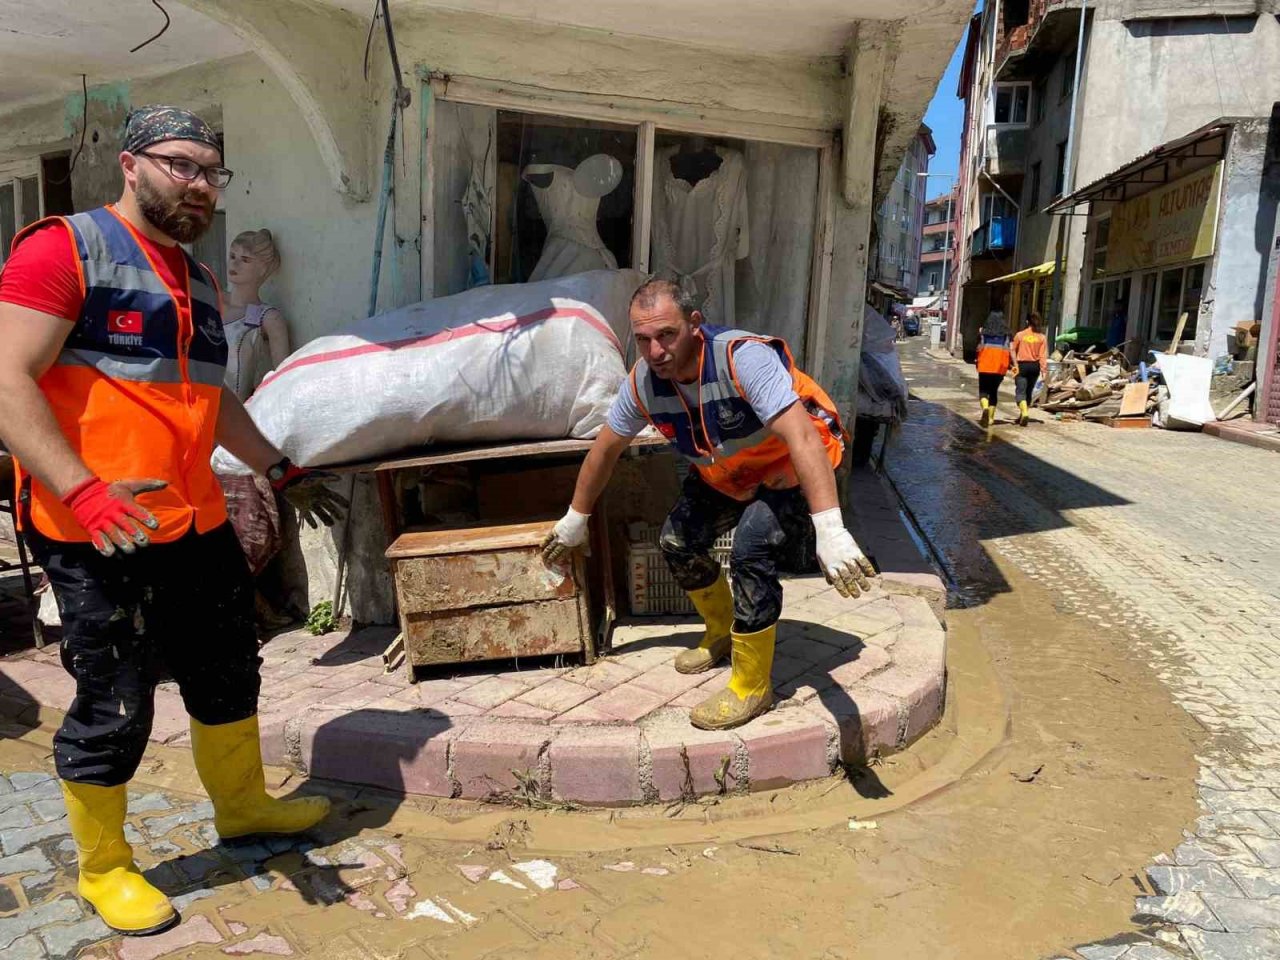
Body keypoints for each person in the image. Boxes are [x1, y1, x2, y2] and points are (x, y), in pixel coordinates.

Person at [0, 105, 348, 937]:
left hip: (194, 519)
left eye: (211, 172)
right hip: (96, 531)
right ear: (131, 164)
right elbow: (7, 379)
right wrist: (82, 489)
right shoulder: (64, 249)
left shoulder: (195, 278)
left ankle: (243, 808)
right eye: (181, 165)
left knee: (229, 668)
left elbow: (206, 398)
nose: (198, 184)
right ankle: (106, 868)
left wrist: (276, 467)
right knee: (117, 698)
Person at [541, 279, 879, 731]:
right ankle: (721, 629)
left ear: (694, 325)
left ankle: (752, 685)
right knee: (677, 541)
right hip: (730, 473)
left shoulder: (742, 359)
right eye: (643, 339)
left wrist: (830, 529)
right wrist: (574, 520)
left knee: (750, 549)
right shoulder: (643, 383)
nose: (655, 350)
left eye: (666, 335)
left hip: (794, 465)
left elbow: (801, 436)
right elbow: (605, 450)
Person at [224, 228, 290, 401]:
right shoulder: (210, 301)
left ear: (262, 269)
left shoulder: (268, 317)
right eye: (232, 256)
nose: (234, 264)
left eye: (245, 260)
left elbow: (283, 380)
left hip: (239, 414)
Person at [975, 298, 1012, 427]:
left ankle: (984, 408)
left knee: (983, 391)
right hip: (999, 367)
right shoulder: (1007, 335)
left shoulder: (983, 333)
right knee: (994, 392)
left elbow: (978, 348)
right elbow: (1009, 350)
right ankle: (990, 419)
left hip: (984, 366)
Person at [1011, 311, 1049, 427]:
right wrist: (1044, 370)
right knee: (1028, 391)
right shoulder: (1042, 337)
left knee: (1020, 391)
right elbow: (1043, 355)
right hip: (1035, 367)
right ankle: (1023, 414)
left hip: (1022, 366)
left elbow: (1012, 350)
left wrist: (1015, 364)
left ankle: (1025, 412)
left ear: (1027, 322)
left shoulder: (1020, 335)